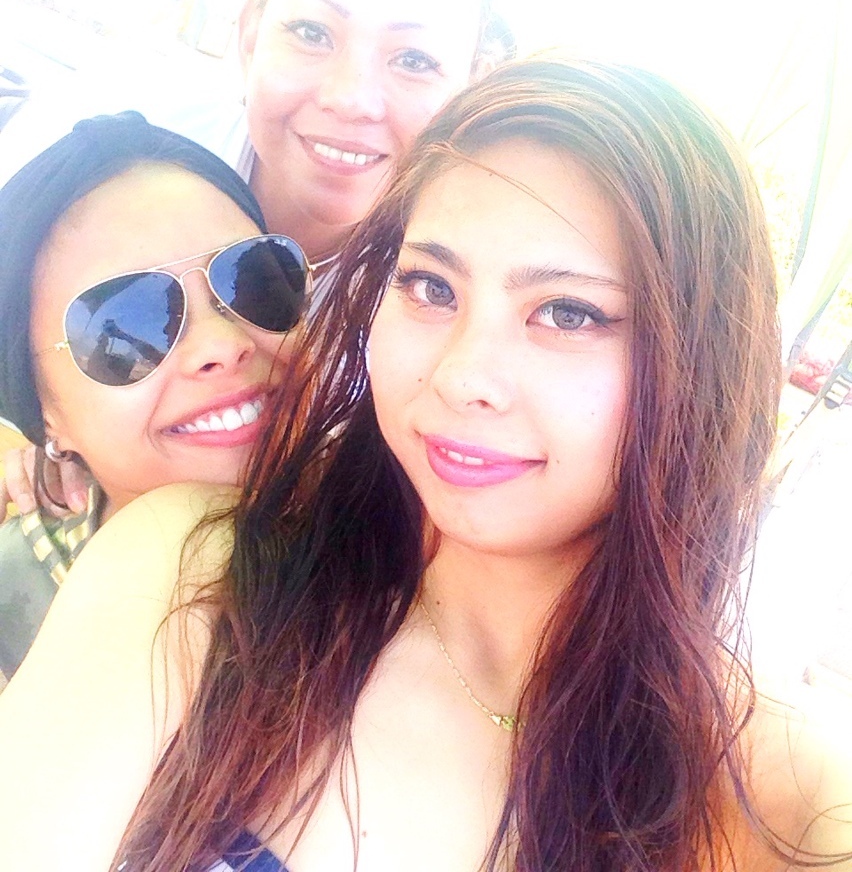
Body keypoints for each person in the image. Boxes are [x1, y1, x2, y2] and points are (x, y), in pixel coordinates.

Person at [3, 59, 849, 870]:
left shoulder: (784, 802)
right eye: (432, 288)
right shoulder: (194, 574)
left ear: (706, 360)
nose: (460, 376)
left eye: (568, 312)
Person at [0, 0, 512, 513]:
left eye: (414, 59)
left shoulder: (458, 290)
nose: (351, 98)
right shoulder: (99, 144)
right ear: (249, 35)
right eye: (311, 32)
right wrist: (25, 421)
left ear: (470, 88)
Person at [0, 112, 309, 683]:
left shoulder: (413, 534)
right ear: (45, 414)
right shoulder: (16, 603)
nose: (223, 344)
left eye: (254, 281)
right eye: (128, 325)